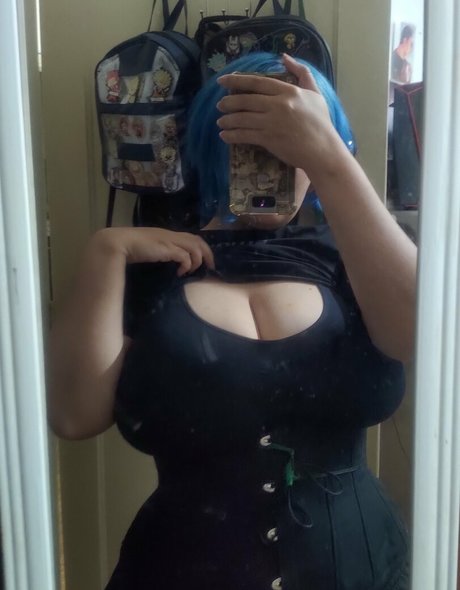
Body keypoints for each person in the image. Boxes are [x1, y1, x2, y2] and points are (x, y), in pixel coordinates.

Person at [48, 52, 416, 590]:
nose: (272, 158)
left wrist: (329, 157)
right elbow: (73, 416)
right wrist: (106, 252)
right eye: (249, 142)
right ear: (211, 144)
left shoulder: (357, 260)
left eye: (290, 140)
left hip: (363, 571)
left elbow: (420, 337)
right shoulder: (149, 265)